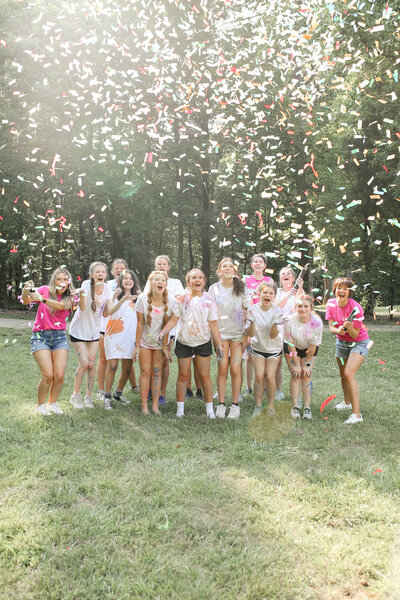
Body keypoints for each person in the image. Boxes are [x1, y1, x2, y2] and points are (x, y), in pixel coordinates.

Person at [157, 268, 223, 419]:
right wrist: (163, 332)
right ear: (188, 282)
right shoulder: (181, 299)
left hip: (203, 341)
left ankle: (210, 410)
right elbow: (173, 319)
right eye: (193, 278)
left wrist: (218, 344)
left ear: (204, 282)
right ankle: (180, 410)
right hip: (184, 341)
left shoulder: (209, 301)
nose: (197, 280)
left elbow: (213, 324)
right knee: (183, 375)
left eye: (200, 277)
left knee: (204, 375)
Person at [21, 268, 77, 416]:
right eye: (59, 279)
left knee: (59, 375)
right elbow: (27, 301)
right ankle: (40, 405)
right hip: (40, 336)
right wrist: (26, 291)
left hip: (59, 337)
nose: (62, 282)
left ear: (69, 282)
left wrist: (42, 299)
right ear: (54, 280)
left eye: (65, 279)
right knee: (48, 374)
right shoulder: (44, 290)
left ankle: (52, 403)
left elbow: (61, 306)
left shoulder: (71, 297)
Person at [208, 257, 250, 419]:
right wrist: (215, 337)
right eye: (224, 266)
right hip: (221, 335)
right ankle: (220, 404)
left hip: (238, 334)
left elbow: (249, 311)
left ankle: (235, 406)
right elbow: (210, 312)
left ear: (234, 270)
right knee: (223, 368)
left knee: (235, 368)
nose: (227, 268)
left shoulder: (242, 288)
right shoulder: (214, 289)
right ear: (219, 271)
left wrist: (246, 335)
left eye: (230, 266)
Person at [69, 262, 114, 409]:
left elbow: (108, 312)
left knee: (92, 363)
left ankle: (88, 397)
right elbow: (82, 307)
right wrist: (81, 295)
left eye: (103, 272)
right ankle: (75, 396)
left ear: (106, 275)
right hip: (79, 330)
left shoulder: (108, 289)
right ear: (92, 275)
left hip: (93, 331)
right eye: (97, 272)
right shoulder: (86, 285)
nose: (100, 274)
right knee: (84, 363)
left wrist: (116, 303)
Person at [325, 277, 370, 424]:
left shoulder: (356, 307)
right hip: (341, 343)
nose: (342, 291)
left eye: (345, 288)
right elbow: (331, 327)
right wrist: (338, 329)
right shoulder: (331, 304)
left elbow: (356, 335)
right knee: (343, 374)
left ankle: (357, 415)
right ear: (335, 290)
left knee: (349, 373)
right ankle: (347, 402)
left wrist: (349, 326)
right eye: (339, 288)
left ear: (349, 292)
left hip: (360, 343)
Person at [97, 259, 140, 400]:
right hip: (114, 336)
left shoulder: (139, 298)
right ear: (120, 280)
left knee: (128, 368)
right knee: (113, 366)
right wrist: (116, 297)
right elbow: (105, 314)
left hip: (131, 338)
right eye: (125, 278)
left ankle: (118, 393)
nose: (128, 281)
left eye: (131, 278)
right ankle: (107, 396)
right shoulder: (113, 296)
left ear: (134, 281)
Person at [144, 255, 184, 404]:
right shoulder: (150, 282)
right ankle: (149, 390)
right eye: (158, 264)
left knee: (164, 360)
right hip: (151, 328)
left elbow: (179, 301)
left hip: (168, 327)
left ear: (168, 267)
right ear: (155, 266)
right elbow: (145, 301)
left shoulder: (175, 282)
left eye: (164, 264)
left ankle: (161, 393)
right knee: (150, 361)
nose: (161, 266)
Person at [134, 271, 173, 415]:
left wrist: (164, 346)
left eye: (163, 280)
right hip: (145, 341)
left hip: (159, 344)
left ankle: (155, 406)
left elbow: (168, 326)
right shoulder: (142, 299)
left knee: (157, 372)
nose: (160, 282)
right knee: (145, 372)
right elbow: (139, 324)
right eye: (157, 280)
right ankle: (144, 406)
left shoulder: (170, 300)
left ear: (166, 284)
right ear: (151, 283)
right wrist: (137, 346)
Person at [283, 295, 323, 420]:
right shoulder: (289, 321)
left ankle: (307, 407)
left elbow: (312, 347)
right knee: (295, 375)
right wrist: (296, 363)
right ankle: (295, 406)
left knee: (306, 375)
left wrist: (307, 364)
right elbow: (290, 344)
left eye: (306, 306)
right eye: (299, 306)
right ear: (295, 307)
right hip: (292, 347)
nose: (302, 309)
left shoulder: (317, 323)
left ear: (311, 307)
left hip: (309, 349)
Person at [249, 282, 283, 417]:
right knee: (258, 376)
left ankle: (270, 406)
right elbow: (250, 334)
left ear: (274, 296)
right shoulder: (252, 310)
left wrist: (274, 324)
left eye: (270, 293)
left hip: (274, 347)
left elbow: (273, 335)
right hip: (258, 346)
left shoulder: (278, 311)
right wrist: (251, 322)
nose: (267, 295)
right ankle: (258, 405)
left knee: (269, 376)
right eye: (264, 292)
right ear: (259, 294)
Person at [243, 254, 272, 398]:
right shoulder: (246, 280)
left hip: (265, 319)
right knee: (249, 356)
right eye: (256, 261)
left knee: (264, 354)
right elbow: (243, 299)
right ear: (252, 265)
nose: (258, 264)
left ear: (265, 266)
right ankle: (248, 387)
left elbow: (272, 298)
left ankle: (264, 386)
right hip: (250, 319)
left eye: (261, 262)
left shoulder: (269, 280)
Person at [275, 266, 304, 402]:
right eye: (283, 274)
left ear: (293, 278)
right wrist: (288, 294)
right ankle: (278, 390)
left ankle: (296, 394)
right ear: (280, 278)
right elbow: (276, 308)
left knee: (293, 362)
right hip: (276, 332)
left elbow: (304, 305)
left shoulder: (298, 291)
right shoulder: (276, 292)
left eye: (288, 274)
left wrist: (299, 289)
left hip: (292, 334)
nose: (285, 275)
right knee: (276, 363)